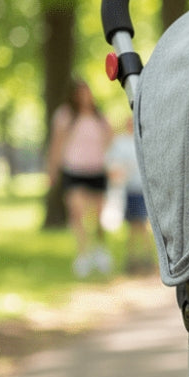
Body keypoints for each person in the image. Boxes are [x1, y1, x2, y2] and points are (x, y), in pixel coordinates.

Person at [46, 77, 114, 277]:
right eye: (80, 92)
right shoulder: (65, 116)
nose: (84, 96)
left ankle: (100, 251)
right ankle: (83, 254)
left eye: (87, 92)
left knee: (98, 217)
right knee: (77, 213)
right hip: (74, 171)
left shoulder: (99, 118)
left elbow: (110, 142)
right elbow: (56, 146)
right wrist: (52, 171)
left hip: (97, 171)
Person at [106, 114, 153, 274]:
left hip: (142, 189)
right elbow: (113, 165)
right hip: (129, 189)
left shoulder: (143, 141)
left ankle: (146, 257)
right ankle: (133, 259)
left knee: (143, 223)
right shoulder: (121, 143)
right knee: (133, 225)